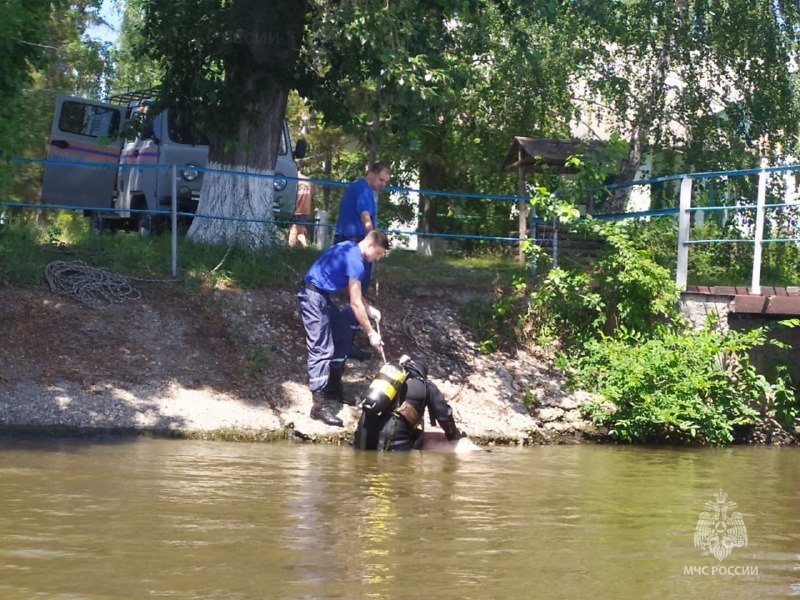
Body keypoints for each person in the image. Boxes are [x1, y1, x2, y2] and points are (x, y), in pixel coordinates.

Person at [297, 229, 391, 427]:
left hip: (321, 296)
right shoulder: (356, 261)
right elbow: (354, 303)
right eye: (379, 253)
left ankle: (334, 388)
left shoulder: (350, 248)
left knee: (343, 334)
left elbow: (356, 297)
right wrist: (371, 333)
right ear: (371, 245)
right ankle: (318, 406)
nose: (378, 258)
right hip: (312, 296)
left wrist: (369, 308)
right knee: (321, 348)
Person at [354, 355, 471, 452]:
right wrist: (453, 434)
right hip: (394, 442)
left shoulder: (387, 383)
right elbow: (444, 415)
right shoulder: (426, 386)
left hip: (362, 436)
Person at [334, 162, 391, 358]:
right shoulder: (364, 191)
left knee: (355, 294)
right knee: (356, 294)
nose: (382, 184)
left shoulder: (356, 186)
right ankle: (347, 342)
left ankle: (346, 338)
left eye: (386, 181)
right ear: (371, 174)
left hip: (346, 241)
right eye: (381, 179)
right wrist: (374, 241)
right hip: (356, 242)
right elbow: (365, 217)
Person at [288, 165, 314, 248]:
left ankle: (290, 251)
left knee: (293, 230)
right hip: (305, 209)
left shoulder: (294, 180)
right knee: (300, 232)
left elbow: (290, 195)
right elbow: (312, 194)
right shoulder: (309, 181)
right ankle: (304, 249)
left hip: (296, 209)